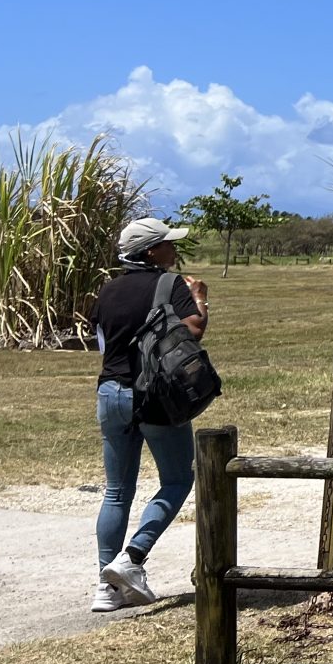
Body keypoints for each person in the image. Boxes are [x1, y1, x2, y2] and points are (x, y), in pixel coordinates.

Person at [90, 217, 209, 611]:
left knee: (116, 491)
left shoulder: (107, 290)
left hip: (111, 393)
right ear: (150, 252)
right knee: (177, 479)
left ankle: (106, 587)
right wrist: (200, 298)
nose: (174, 249)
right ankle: (132, 557)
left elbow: (102, 342)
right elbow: (193, 331)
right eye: (167, 243)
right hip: (155, 396)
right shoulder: (170, 285)